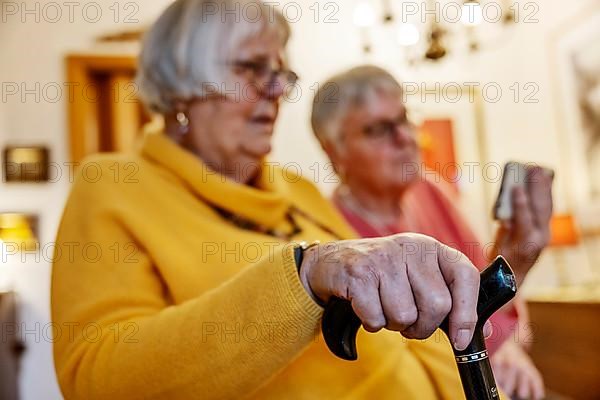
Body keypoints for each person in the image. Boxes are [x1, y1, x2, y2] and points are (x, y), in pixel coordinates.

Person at [51, 1, 494, 399]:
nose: (278, 89)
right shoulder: (114, 185)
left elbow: (406, 347)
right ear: (182, 81)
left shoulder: (297, 190)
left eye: (281, 73)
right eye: (252, 68)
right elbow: (97, 377)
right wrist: (303, 276)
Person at [311, 65, 553, 400]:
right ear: (334, 151)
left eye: (404, 118)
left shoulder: (432, 191)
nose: (404, 138)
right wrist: (492, 345)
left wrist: (515, 263)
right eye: (379, 129)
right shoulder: (329, 235)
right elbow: (401, 359)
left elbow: (484, 307)